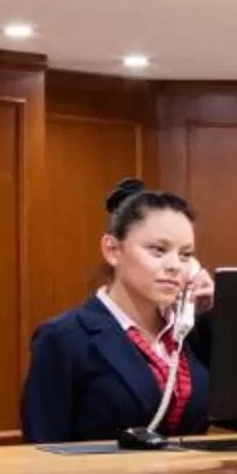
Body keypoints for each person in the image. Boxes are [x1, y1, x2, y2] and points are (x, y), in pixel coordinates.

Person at [19, 178, 219, 442]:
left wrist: (213, 319)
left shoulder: (187, 333)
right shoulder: (65, 337)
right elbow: (40, 446)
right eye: (158, 251)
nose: (175, 266)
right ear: (113, 250)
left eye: (185, 255)